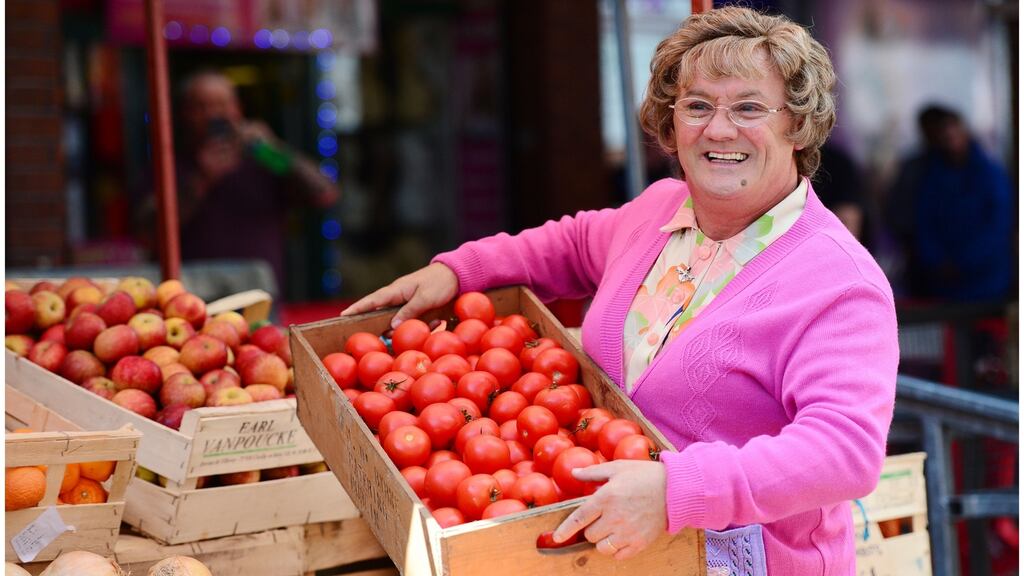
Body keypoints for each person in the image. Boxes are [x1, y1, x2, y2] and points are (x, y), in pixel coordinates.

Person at [343, 7, 897, 575]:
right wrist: (459, 271)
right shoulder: (660, 210)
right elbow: (572, 243)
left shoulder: (837, 282)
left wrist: (677, 488)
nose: (720, 129)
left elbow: (843, 454)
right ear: (671, 122)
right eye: (697, 106)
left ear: (797, 126)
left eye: (750, 107)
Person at [146, 70, 339, 293]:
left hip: (259, 294)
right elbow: (149, 232)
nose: (215, 115)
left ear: (238, 109)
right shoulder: (169, 163)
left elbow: (324, 194)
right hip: (192, 296)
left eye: (223, 105)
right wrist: (201, 179)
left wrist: (273, 149)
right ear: (185, 114)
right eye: (202, 107)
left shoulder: (262, 157)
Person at [885, 104, 1012, 302]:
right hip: (943, 284)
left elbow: (998, 226)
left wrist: (965, 262)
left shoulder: (990, 174)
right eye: (945, 135)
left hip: (987, 281)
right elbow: (924, 221)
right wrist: (937, 261)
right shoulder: (931, 177)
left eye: (955, 132)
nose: (951, 139)